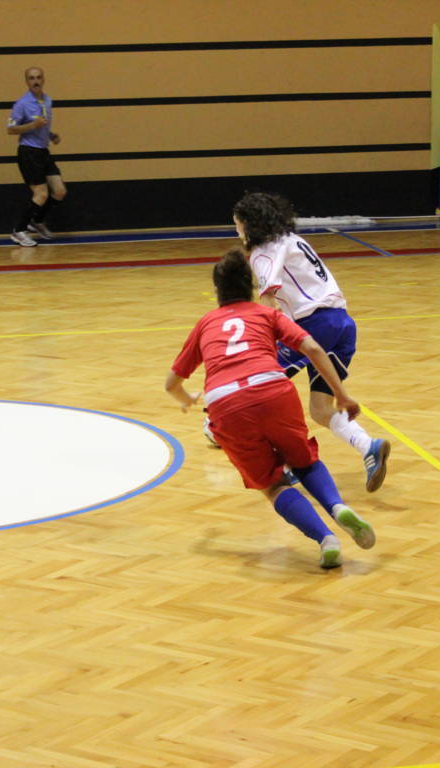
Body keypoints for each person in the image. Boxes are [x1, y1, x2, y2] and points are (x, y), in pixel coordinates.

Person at [166, 249, 377, 568]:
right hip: (273, 389)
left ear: (217, 291)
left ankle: (325, 539)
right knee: (304, 461)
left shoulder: (206, 323)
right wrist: (341, 394)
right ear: (251, 285)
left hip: (226, 403)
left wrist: (187, 398)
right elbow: (313, 348)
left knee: (273, 484)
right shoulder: (267, 314)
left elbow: (171, 383)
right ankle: (337, 507)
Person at [230, 191, 390, 493]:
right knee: (319, 408)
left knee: (256, 387)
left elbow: (269, 299)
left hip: (314, 324)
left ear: (250, 224)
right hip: (343, 324)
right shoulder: (292, 239)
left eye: (237, 224)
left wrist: (264, 339)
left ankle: (281, 463)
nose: (236, 230)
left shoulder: (263, 252)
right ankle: (368, 446)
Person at [7, 66, 66, 246]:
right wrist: (32, 125)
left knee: (59, 191)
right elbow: (10, 129)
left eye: (39, 77)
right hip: (29, 152)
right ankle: (19, 230)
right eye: (32, 78)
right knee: (40, 194)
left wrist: (50, 135)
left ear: (43, 79)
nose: (36, 81)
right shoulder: (22, 104)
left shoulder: (47, 100)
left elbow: (43, 126)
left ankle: (37, 221)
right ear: (27, 81)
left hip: (43, 151)